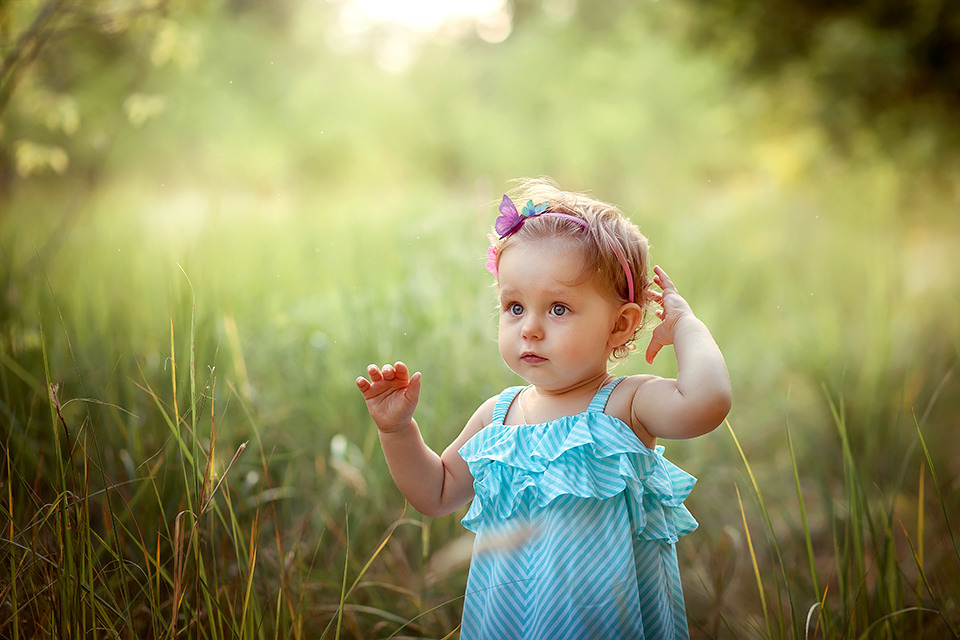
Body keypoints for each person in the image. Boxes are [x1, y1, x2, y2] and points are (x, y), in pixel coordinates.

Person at [356, 178, 731, 639]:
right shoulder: (498, 416)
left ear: (620, 324)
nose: (530, 328)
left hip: (603, 624)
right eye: (514, 307)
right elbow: (434, 492)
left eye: (557, 309)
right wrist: (397, 432)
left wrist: (686, 326)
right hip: (510, 621)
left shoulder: (627, 404)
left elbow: (707, 402)